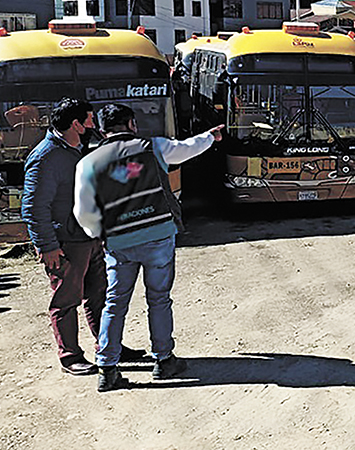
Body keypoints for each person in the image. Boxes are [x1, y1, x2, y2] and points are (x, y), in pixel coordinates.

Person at [72, 103, 222, 391]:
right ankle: (164, 360)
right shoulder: (152, 147)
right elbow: (186, 148)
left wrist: (100, 232)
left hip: (119, 242)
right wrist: (209, 137)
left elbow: (84, 212)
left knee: (114, 303)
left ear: (102, 130)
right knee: (159, 298)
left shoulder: (88, 163)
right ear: (131, 124)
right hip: (158, 235)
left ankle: (107, 368)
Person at [22, 99, 147, 375]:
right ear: (76, 124)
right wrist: (46, 245)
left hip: (91, 238)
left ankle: (109, 346)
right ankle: (70, 357)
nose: (95, 125)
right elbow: (33, 206)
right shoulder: (47, 157)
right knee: (66, 300)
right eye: (90, 120)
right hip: (65, 243)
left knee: (99, 295)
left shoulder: (81, 149)